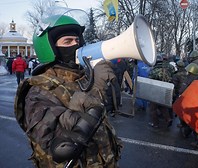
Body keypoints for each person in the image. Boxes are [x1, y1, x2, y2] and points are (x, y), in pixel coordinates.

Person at [14, 13, 122, 167]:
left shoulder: (83, 78)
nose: (76, 45)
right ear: (50, 48)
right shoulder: (39, 90)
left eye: (78, 40)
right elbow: (62, 149)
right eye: (68, 41)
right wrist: (95, 92)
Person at [148, 55, 175, 128]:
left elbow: (150, 80)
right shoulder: (167, 69)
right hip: (165, 90)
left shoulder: (154, 70)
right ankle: (168, 119)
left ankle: (155, 123)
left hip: (155, 91)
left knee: (152, 108)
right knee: (162, 106)